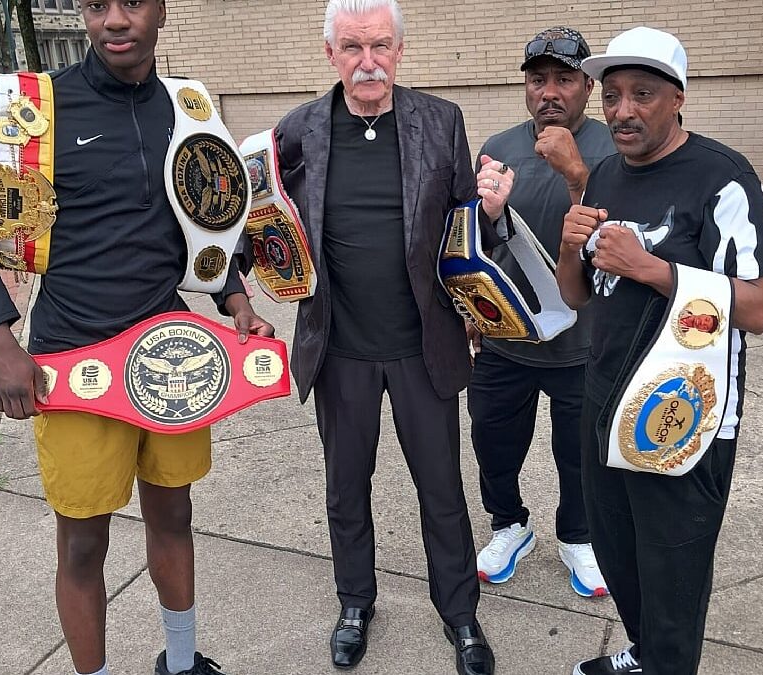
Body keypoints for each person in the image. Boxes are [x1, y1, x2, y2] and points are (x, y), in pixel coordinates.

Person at [0, 2, 274, 674]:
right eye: (96, 4)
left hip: (172, 355)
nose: (116, 20)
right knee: (84, 546)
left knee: (175, 515)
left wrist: (235, 297)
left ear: (162, 11)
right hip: (73, 359)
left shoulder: (189, 107)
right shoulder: (35, 111)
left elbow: (206, 218)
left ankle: (180, 661)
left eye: (133, 2)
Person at [274, 1, 512, 672]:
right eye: (352, 47)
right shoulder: (297, 132)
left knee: (441, 488)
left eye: (380, 45)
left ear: (400, 50)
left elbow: (467, 226)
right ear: (331, 54)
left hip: (423, 345)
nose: (368, 61)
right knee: (346, 487)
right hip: (339, 346)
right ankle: (355, 602)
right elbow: (263, 223)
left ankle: (460, 614)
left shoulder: (441, 122)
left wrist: (489, 215)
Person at [556, 26, 763, 675]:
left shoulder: (723, 176)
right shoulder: (602, 173)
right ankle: (647, 654)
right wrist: (572, 246)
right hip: (605, 400)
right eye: (614, 95)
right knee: (621, 556)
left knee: (673, 575)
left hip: (685, 410)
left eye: (643, 94)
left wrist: (653, 268)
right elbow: (578, 298)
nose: (623, 110)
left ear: (678, 97)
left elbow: (761, 307)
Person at [468, 27, 615, 597]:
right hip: (507, 339)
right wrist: (487, 216)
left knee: (580, 454)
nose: (549, 92)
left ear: (586, 85)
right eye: (538, 80)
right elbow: (478, 240)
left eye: (563, 79)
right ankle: (509, 525)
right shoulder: (500, 146)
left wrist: (578, 174)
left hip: (586, 343)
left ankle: (577, 536)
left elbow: (626, 235)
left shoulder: (611, 147)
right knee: (493, 442)